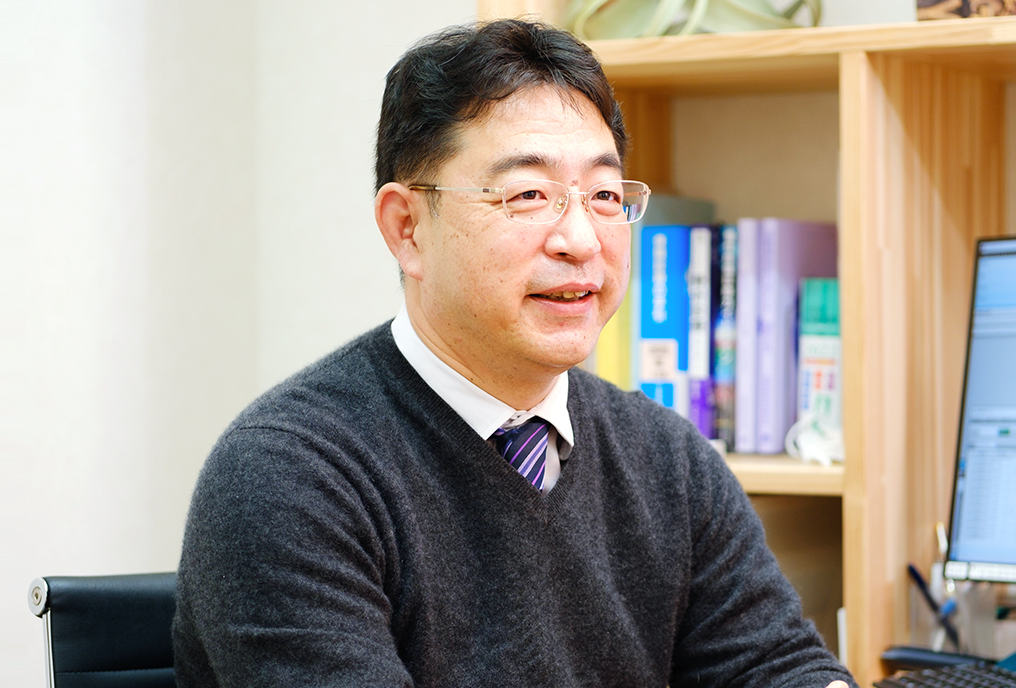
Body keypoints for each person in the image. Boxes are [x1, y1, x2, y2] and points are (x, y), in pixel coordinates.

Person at [173, 18, 856, 688]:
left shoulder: (669, 461)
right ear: (407, 228)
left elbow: (776, 666)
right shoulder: (289, 477)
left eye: (604, 195)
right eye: (529, 194)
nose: (581, 240)